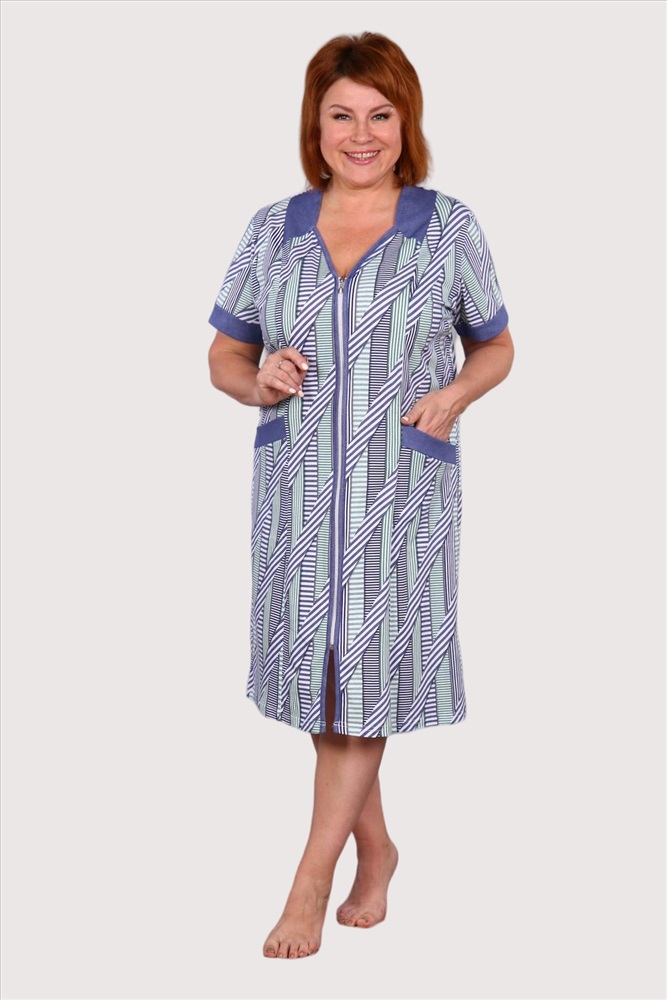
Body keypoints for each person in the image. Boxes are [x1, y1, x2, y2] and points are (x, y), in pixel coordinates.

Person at [207, 32, 514, 959]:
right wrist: (256, 379)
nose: (361, 134)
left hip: (400, 495)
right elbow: (223, 355)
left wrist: (454, 395)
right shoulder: (273, 229)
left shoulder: (446, 228)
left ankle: (311, 876)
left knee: (366, 677)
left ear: (406, 121)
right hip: (296, 493)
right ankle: (375, 847)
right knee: (323, 678)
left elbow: (496, 345)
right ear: (315, 124)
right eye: (340, 115)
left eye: (380, 114)